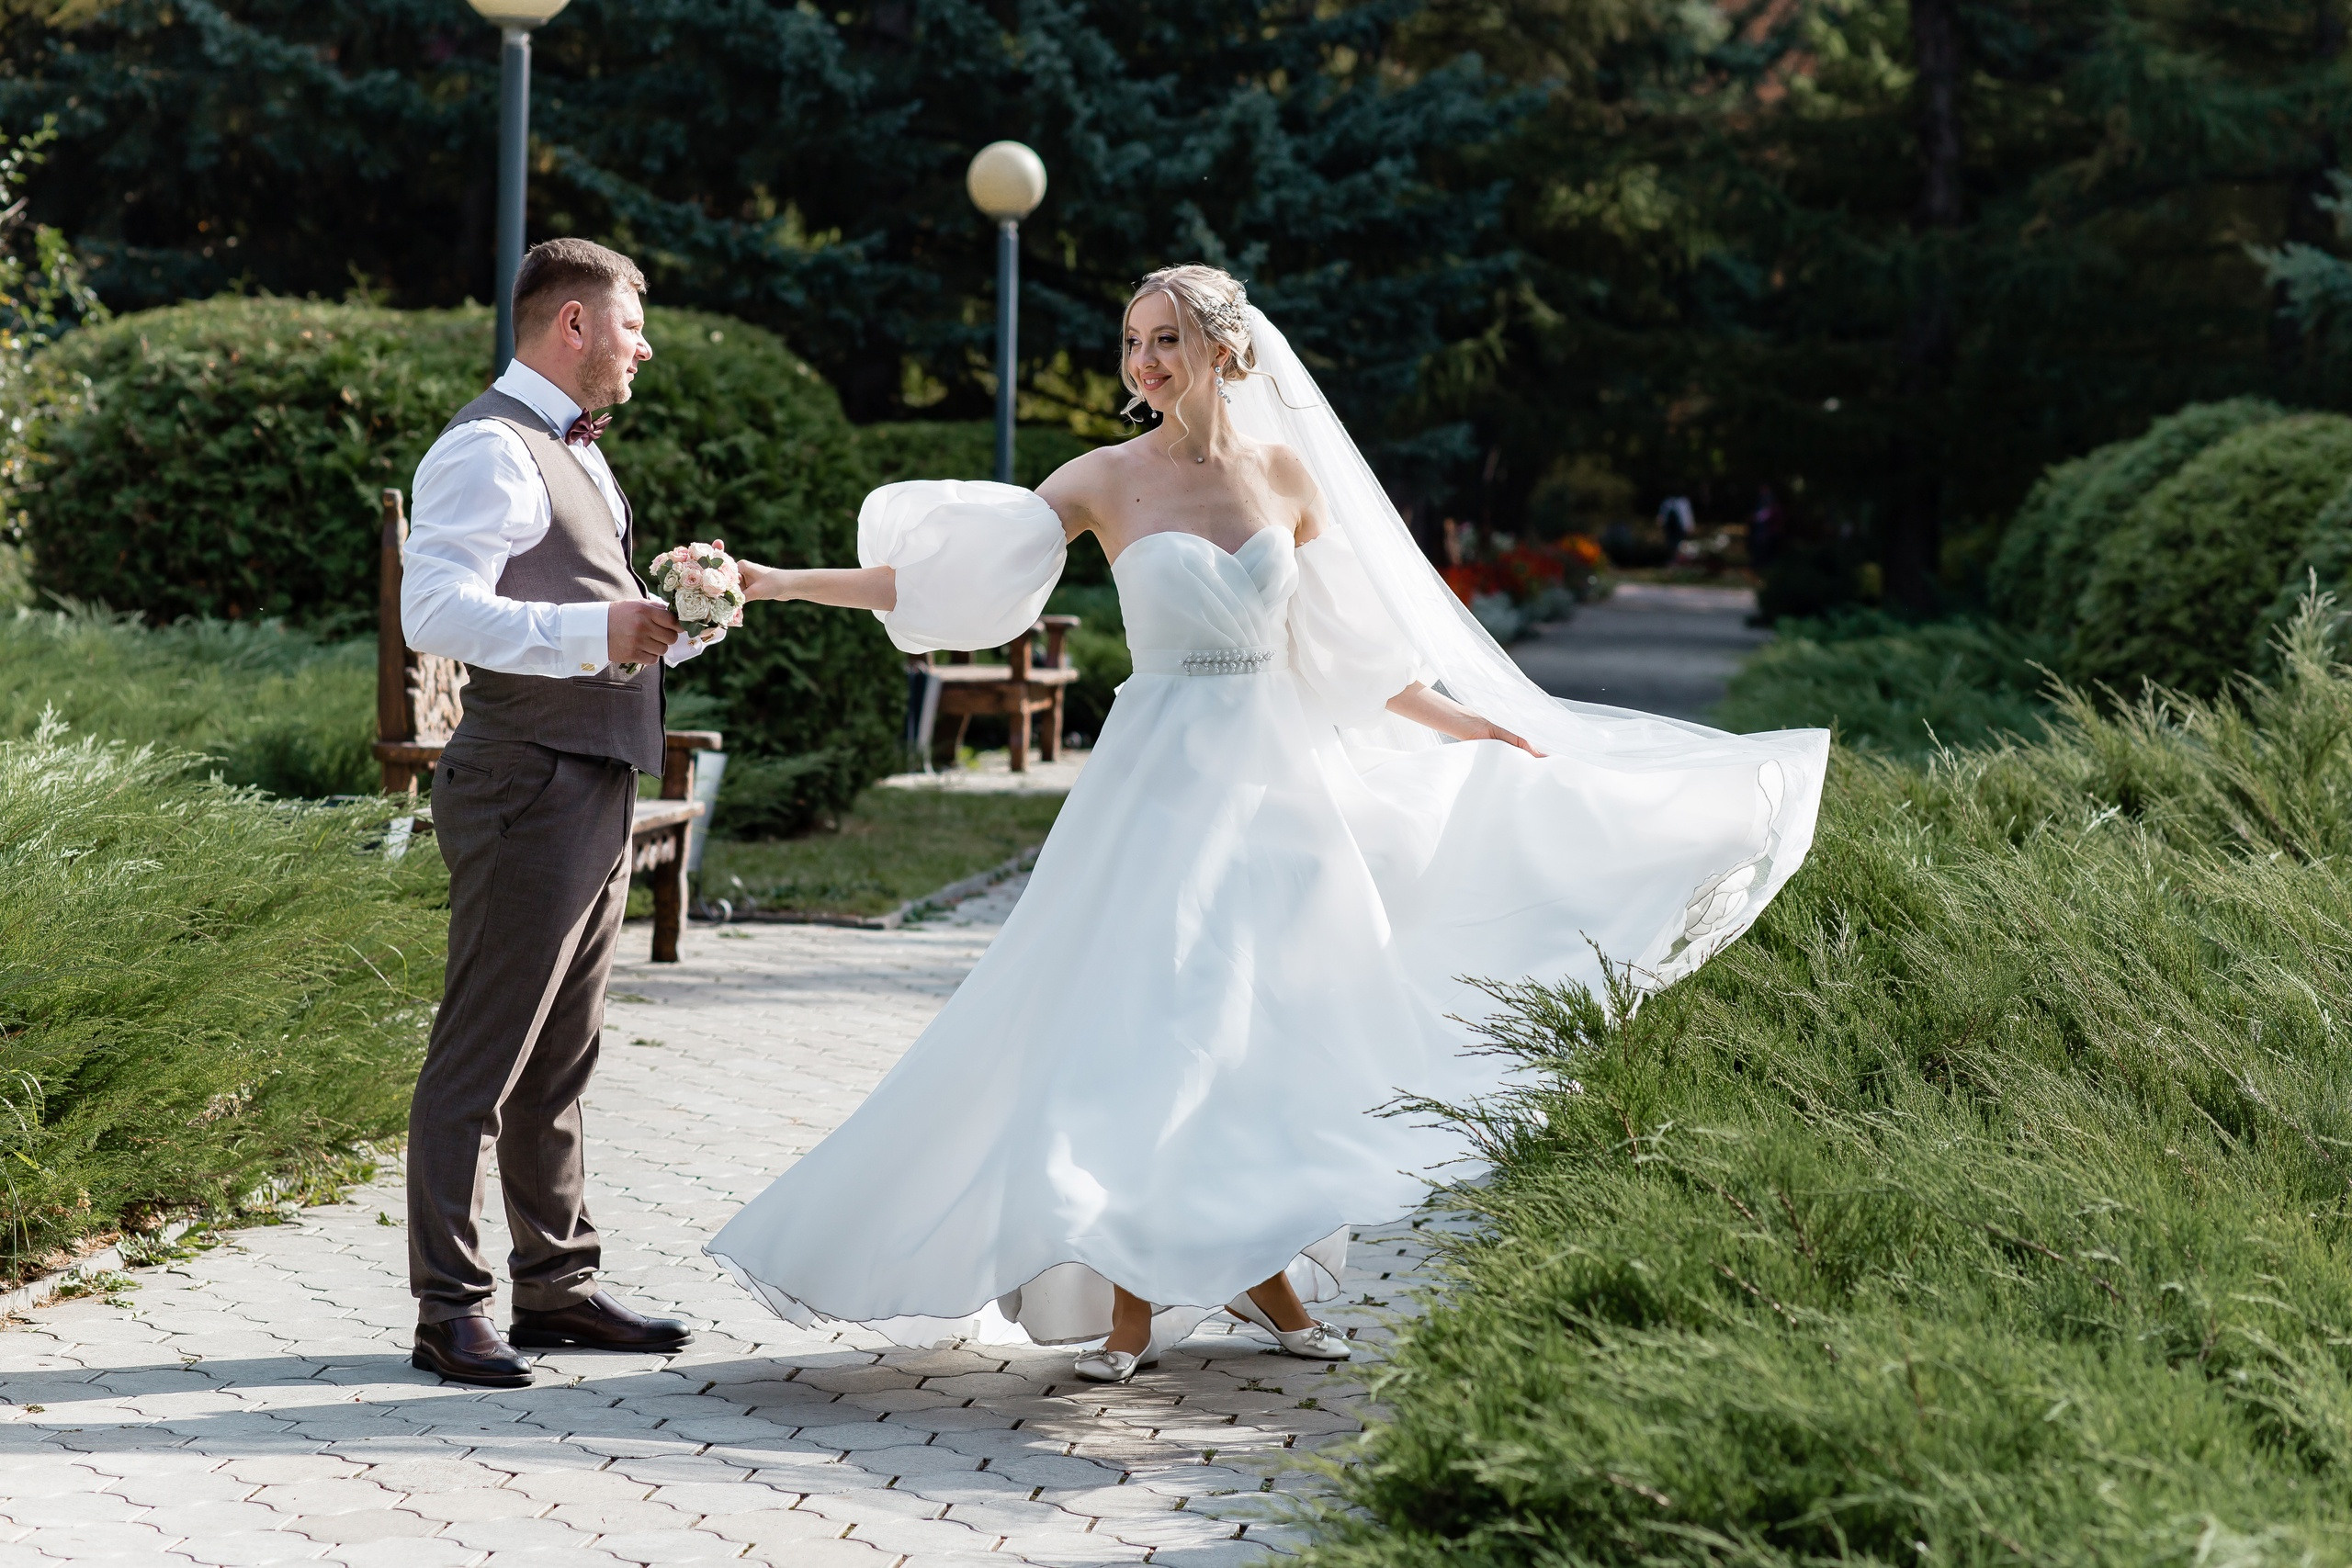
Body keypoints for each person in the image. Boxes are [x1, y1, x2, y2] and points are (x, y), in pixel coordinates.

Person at [707, 265, 1829, 1382]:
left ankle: (1261, 1283)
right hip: (1155, 791)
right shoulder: (1101, 477)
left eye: (1166, 339)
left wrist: (1467, 725)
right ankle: (1136, 1312)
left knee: (1256, 1035)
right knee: (1155, 1028)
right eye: (1133, 341)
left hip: (1275, 787)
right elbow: (939, 579)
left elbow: (1342, 657)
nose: (1145, 362)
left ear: (1227, 350)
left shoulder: (1287, 476)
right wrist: (777, 582)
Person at [400, 238, 713, 1387]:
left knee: (560, 1058)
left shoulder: (576, 452)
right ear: (572, 325)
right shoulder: (490, 445)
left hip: (589, 775)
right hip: (524, 777)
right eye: (632, 324)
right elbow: (435, 610)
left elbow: (573, 598)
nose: (643, 345)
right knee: (479, 1058)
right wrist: (595, 635)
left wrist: (667, 612)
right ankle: (450, 1309)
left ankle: (557, 1287)